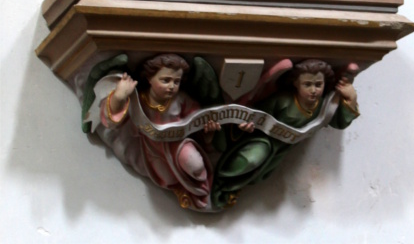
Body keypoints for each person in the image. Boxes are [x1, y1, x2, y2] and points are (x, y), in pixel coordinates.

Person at [212, 58, 359, 208]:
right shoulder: (283, 101)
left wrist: (351, 99)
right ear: (296, 83)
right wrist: (246, 126)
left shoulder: (322, 107)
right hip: (260, 142)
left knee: (257, 175)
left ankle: (226, 189)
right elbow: (255, 115)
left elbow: (338, 122)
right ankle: (219, 184)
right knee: (252, 159)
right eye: (307, 84)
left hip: (279, 151)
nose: (314, 90)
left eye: (318, 84)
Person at [99, 54, 219, 211]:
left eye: (177, 82)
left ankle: (203, 190)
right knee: (167, 179)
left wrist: (207, 133)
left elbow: (199, 121)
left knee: (194, 165)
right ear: (149, 78)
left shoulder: (182, 100)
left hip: (180, 144)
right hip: (153, 150)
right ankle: (185, 192)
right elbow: (113, 121)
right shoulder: (139, 101)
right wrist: (119, 97)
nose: (171, 86)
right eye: (166, 80)